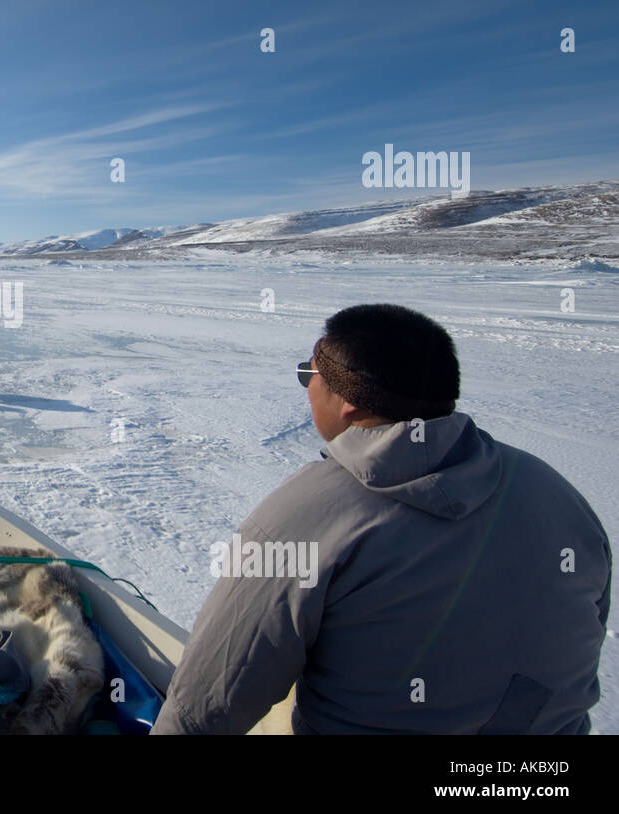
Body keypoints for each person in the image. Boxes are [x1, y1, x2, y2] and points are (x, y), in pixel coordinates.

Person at [150, 303, 611, 734]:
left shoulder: (305, 515)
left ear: (348, 406)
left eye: (309, 373)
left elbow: (208, 703)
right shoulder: (555, 492)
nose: (307, 383)